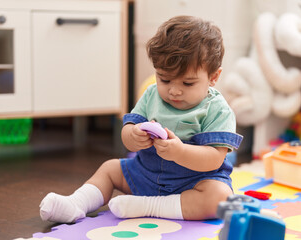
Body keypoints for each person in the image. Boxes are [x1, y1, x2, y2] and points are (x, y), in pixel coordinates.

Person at [39, 15, 243, 223]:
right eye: (164, 79)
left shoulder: (218, 110)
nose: (174, 90)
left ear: (213, 78)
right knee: (110, 168)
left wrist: (180, 152)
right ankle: (76, 203)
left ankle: (148, 206)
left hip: (193, 184)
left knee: (220, 197)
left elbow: (214, 159)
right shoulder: (152, 94)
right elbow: (127, 131)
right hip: (145, 175)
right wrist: (133, 135)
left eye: (188, 83)